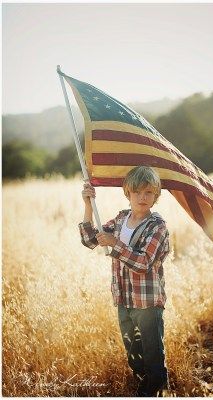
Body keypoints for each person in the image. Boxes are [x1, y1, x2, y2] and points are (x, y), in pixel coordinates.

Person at [78, 166, 170, 397]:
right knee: (134, 354)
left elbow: (144, 263)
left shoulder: (157, 226)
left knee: (152, 354)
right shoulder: (121, 219)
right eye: (137, 192)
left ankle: (155, 388)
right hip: (122, 298)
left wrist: (115, 244)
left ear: (156, 196)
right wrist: (89, 205)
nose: (142, 197)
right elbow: (90, 240)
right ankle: (144, 383)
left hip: (147, 302)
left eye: (149, 193)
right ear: (127, 193)